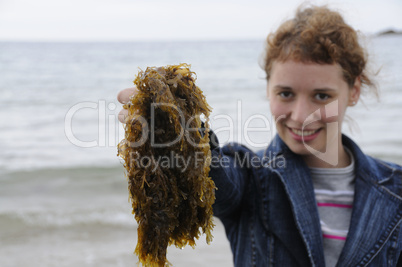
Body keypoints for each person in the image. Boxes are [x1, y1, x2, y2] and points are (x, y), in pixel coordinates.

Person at [117, 5, 402, 267]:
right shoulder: (251, 178)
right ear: (268, 88)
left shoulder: (396, 192)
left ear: (354, 90)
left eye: (322, 95)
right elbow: (216, 176)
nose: (301, 115)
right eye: (286, 93)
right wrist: (178, 130)